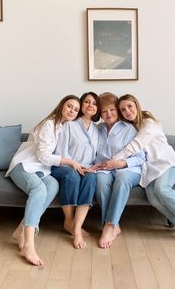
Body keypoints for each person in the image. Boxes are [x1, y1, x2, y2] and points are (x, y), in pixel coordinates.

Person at [99, 94, 175, 245]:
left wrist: (112, 162)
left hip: (166, 164)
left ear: (136, 105)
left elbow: (135, 146)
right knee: (152, 196)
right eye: (123, 109)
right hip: (149, 170)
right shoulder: (130, 127)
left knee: (161, 189)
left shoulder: (149, 123)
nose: (127, 111)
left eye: (129, 106)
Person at [6, 94, 81, 266]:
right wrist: (70, 162)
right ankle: (29, 245)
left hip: (40, 170)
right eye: (69, 106)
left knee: (53, 185)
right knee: (39, 190)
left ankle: (20, 231)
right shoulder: (49, 124)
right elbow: (44, 156)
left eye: (76, 109)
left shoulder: (64, 127)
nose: (72, 111)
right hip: (23, 165)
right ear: (62, 105)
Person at [93, 92, 145, 249]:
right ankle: (115, 226)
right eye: (104, 111)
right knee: (100, 183)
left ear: (117, 110)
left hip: (129, 168)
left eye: (112, 110)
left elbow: (140, 157)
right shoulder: (97, 129)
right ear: (100, 114)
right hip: (104, 169)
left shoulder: (129, 129)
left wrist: (120, 164)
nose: (108, 114)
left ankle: (109, 226)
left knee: (122, 179)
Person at [51, 92, 100, 249]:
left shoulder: (97, 130)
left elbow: (97, 155)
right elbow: (61, 152)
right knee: (72, 176)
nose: (90, 105)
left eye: (94, 103)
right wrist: (75, 165)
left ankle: (77, 227)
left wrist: (91, 167)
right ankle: (69, 221)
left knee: (91, 178)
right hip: (65, 167)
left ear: (97, 108)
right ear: (81, 105)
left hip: (87, 168)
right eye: (86, 102)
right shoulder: (70, 124)